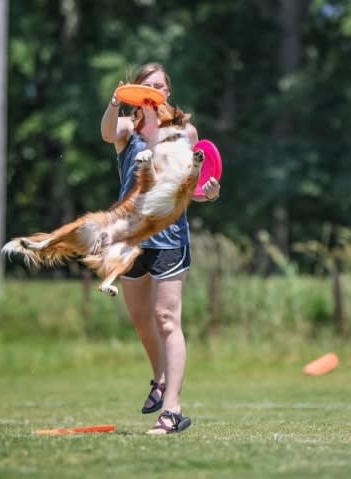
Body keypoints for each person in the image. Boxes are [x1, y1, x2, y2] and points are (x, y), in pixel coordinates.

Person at [100, 62, 221, 434]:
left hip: (170, 236)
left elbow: (192, 187)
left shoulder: (185, 132)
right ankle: (160, 378)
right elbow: (106, 133)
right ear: (139, 92)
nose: (155, 91)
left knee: (167, 319)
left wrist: (207, 192)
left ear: (168, 92)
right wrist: (114, 101)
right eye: (147, 85)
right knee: (141, 320)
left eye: (161, 86)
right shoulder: (127, 129)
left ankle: (171, 411)